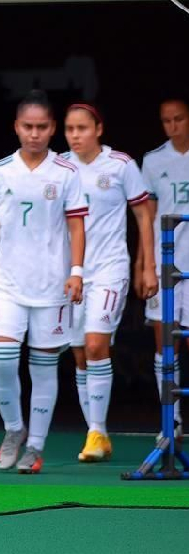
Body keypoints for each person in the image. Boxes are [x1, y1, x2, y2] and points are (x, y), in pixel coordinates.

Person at [0, 90, 86, 474]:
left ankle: (35, 446)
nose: (35, 134)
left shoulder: (66, 173)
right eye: (28, 126)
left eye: (42, 127)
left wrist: (76, 272)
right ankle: (14, 429)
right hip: (7, 282)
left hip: (52, 285)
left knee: (43, 368)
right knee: (2, 360)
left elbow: (76, 224)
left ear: (52, 128)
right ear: (16, 127)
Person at [62, 103, 156, 462]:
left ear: (98, 129)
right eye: (70, 129)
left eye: (82, 128)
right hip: (71, 273)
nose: (75, 135)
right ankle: (95, 434)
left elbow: (143, 214)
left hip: (109, 270)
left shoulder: (120, 164)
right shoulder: (59, 166)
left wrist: (145, 264)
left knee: (97, 344)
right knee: (80, 354)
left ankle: (97, 429)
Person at [137, 97, 189, 437]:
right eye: (167, 120)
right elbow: (147, 216)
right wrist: (145, 263)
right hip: (167, 261)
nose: (173, 126)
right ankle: (172, 418)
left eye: (179, 119)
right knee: (165, 341)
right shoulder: (154, 161)